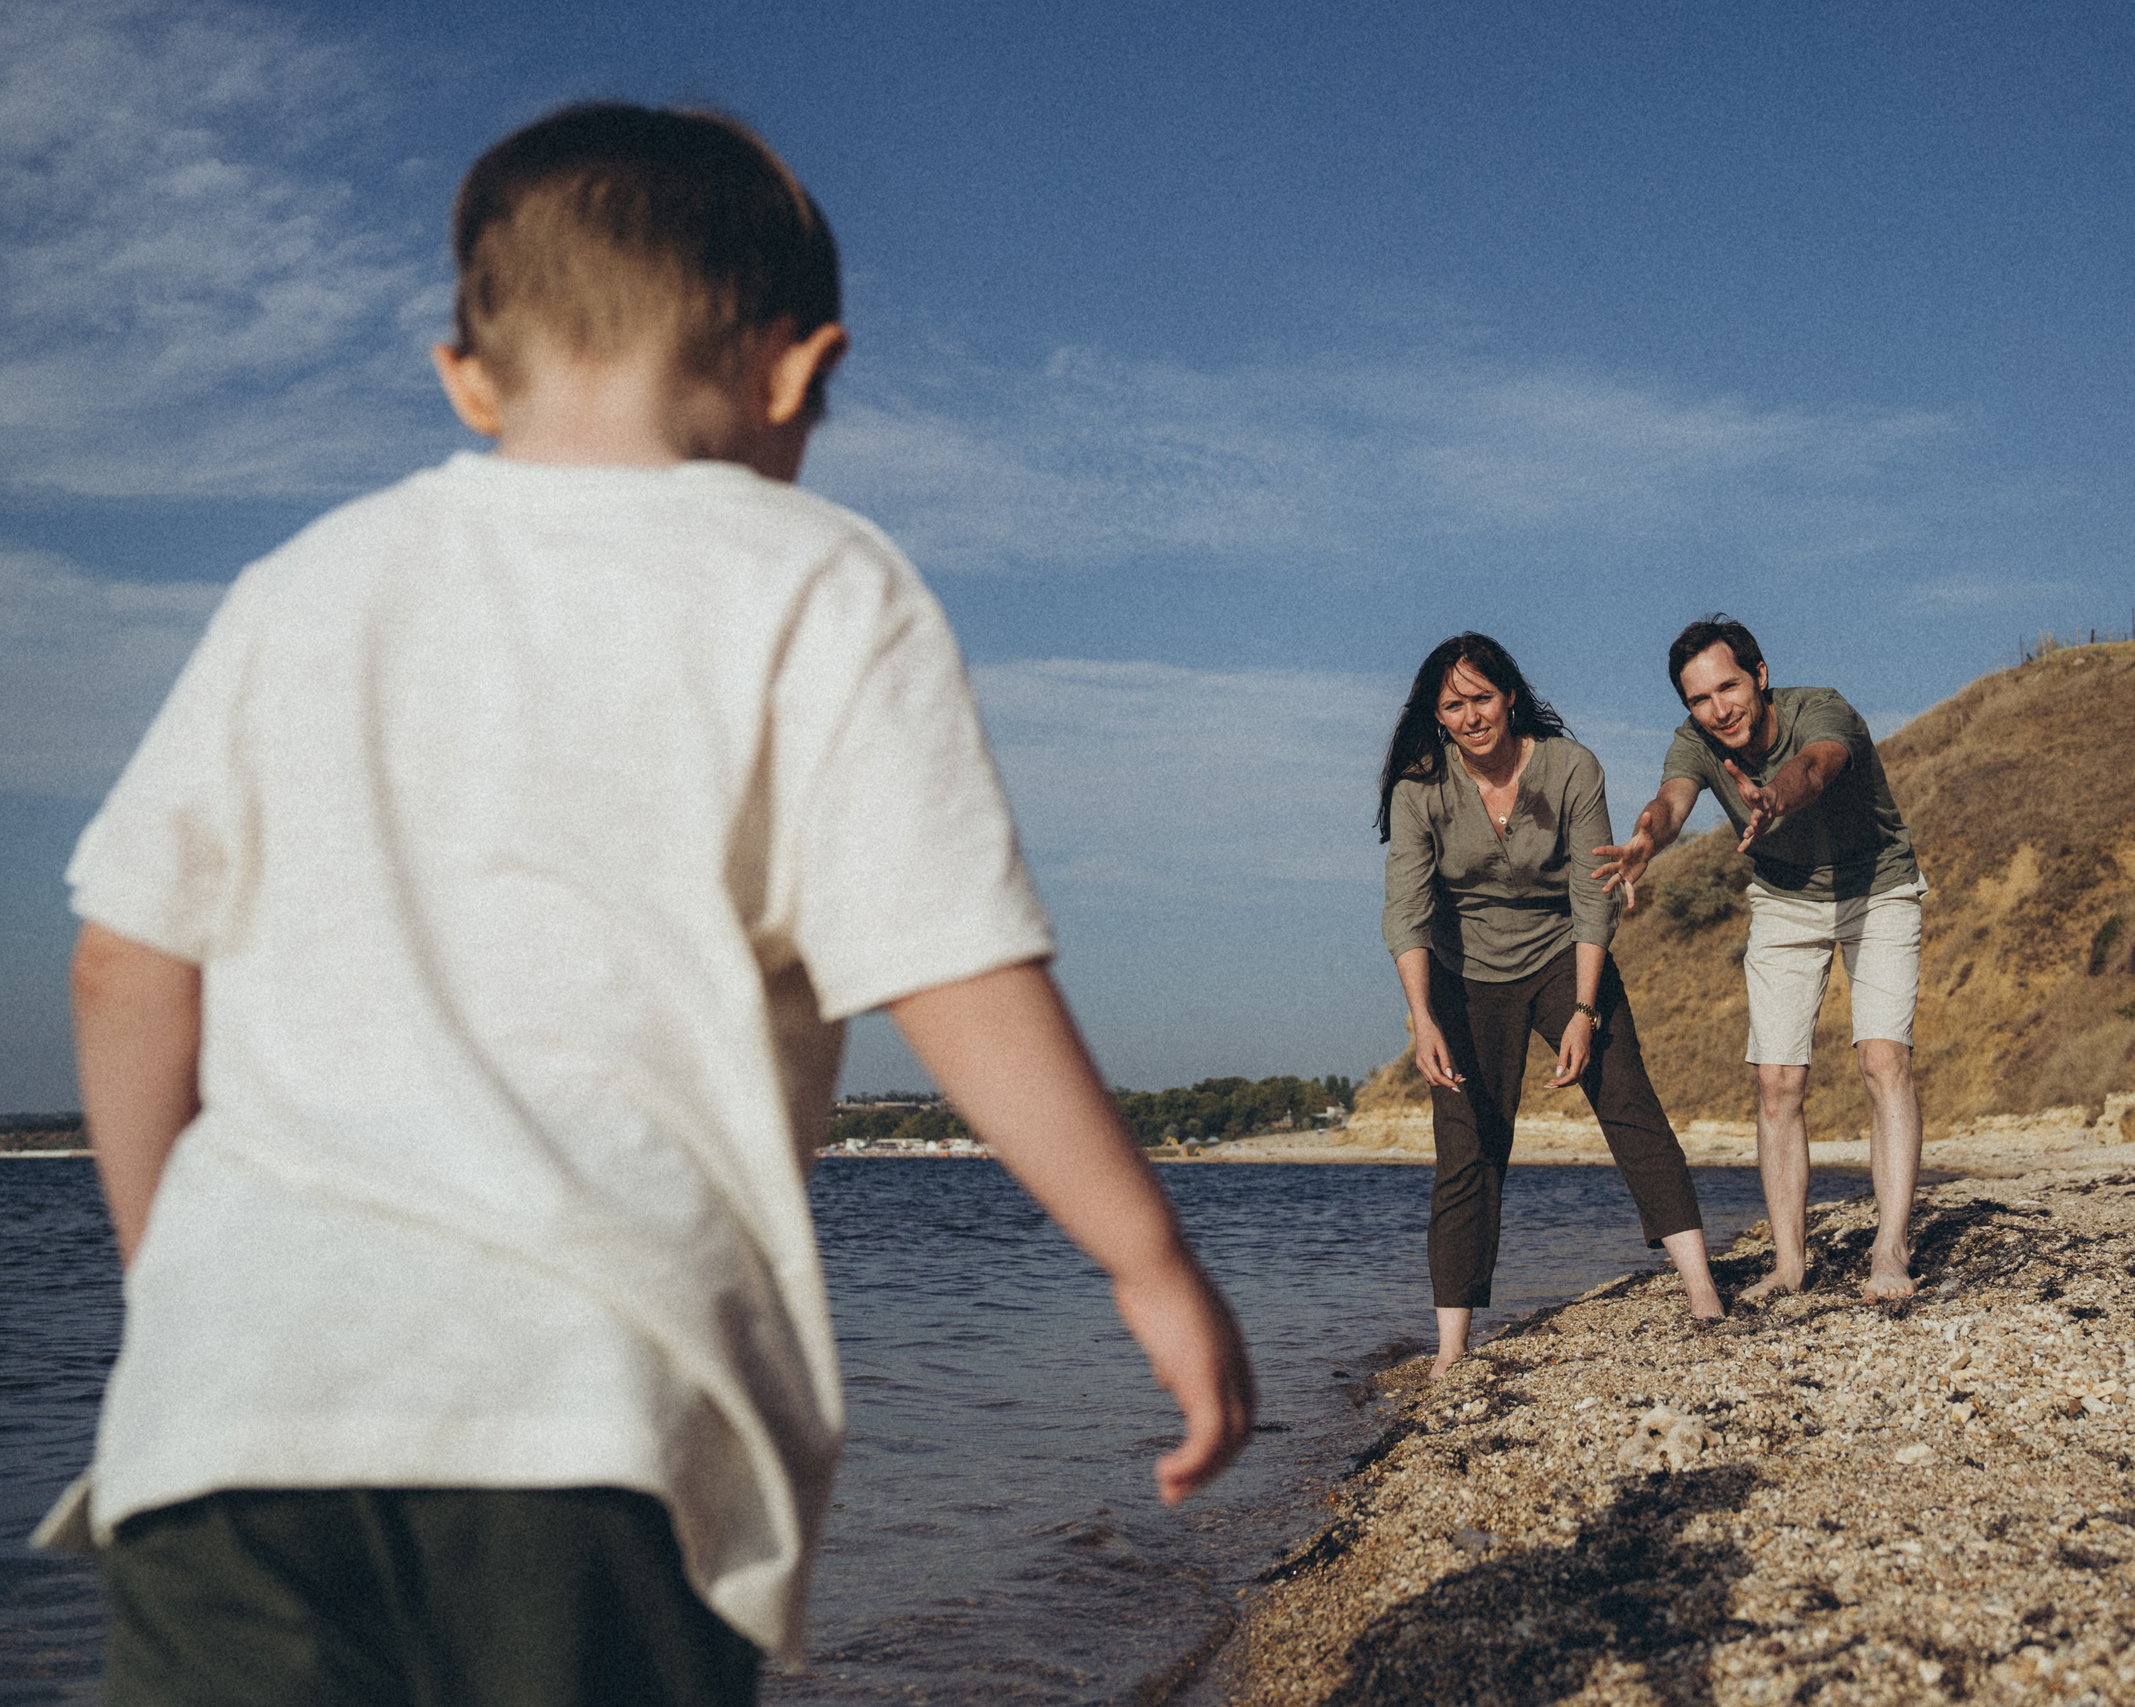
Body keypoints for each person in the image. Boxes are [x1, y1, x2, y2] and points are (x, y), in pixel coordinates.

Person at [43, 103, 1254, 1707]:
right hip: (587, 1404)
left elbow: (126, 963)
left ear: (463, 376)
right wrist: (1148, 1257)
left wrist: (172, 1267)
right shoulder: (820, 579)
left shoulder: (303, 585)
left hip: (229, 1410)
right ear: (796, 371)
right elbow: (951, 963)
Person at [1379, 633, 1725, 1378]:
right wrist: (1424, 1019)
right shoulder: (1421, 789)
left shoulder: (1571, 768)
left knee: (1630, 1102)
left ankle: (1703, 1290)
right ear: (1435, 716)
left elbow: (1593, 892)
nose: (1470, 716)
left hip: (1562, 957)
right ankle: (1450, 1350)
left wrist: (1583, 1008)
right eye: (1452, 705)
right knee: (1467, 1148)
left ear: (1509, 695)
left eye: (1481, 697)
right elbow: (1405, 912)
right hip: (1461, 974)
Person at [1595, 613, 1927, 1304]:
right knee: (1777, 1080)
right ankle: (1788, 1263)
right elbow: (1672, 802)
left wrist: (1774, 798)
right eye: (1700, 698)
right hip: (1783, 896)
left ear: (1761, 676)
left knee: (1882, 1059)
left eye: (1729, 687)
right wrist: (1644, 840)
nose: (1719, 709)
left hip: (1877, 884)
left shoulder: (1824, 709)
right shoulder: (1695, 744)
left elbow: (1817, 766)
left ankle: (1890, 1250)